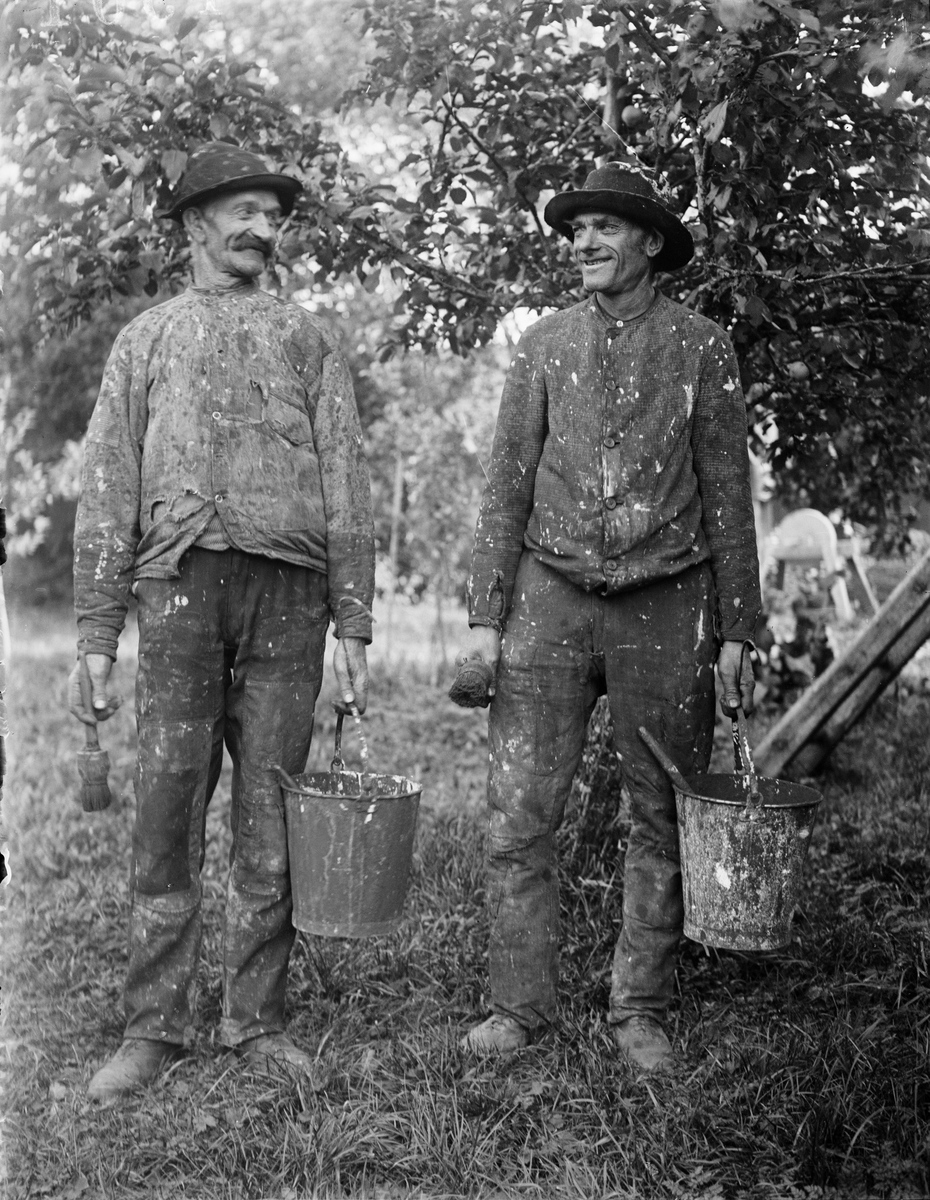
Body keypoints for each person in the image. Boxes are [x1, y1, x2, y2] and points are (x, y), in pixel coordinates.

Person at [68, 144, 375, 1101]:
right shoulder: (146, 341)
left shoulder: (306, 339)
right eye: (243, 212)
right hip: (179, 594)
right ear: (195, 225)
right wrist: (95, 637)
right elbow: (107, 488)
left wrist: (354, 621)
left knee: (270, 811)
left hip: (291, 600)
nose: (261, 229)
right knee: (166, 807)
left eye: (271, 216)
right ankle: (153, 1026)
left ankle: (256, 1021)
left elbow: (346, 479)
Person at [457, 161, 760, 1072]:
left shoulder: (702, 348)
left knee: (661, 814)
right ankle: (518, 1007)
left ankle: (640, 1009)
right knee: (519, 813)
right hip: (548, 600)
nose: (583, 243)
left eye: (604, 228)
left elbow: (727, 492)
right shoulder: (543, 345)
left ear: (651, 244)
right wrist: (486, 619)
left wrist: (739, 628)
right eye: (575, 230)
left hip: (669, 604)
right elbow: (506, 486)